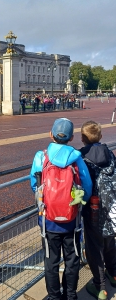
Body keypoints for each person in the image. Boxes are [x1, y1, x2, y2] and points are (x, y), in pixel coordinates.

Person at [30, 118, 92, 300]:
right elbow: (86, 186)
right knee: (72, 260)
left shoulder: (41, 156)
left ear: (51, 134)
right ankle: (71, 295)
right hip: (72, 219)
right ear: (72, 137)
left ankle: (54, 296)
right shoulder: (76, 157)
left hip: (48, 219)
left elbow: (35, 185)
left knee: (51, 261)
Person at [79, 121, 116, 300]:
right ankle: (114, 273)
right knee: (110, 242)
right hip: (112, 208)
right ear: (100, 137)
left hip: (93, 209)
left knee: (94, 249)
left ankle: (100, 288)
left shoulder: (81, 156)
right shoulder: (109, 153)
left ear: (82, 138)